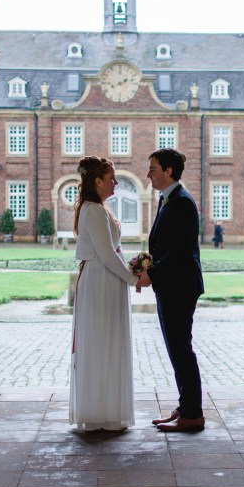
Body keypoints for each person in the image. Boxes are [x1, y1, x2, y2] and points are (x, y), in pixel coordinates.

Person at [136, 149, 205, 432]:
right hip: (172, 285)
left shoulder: (181, 202)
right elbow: (166, 245)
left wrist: (150, 274)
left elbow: (179, 252)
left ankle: (193, 414)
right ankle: (185, 406)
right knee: (177, 350)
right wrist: (147, 262)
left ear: (168, 171)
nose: (148, 174)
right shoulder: (168, 199)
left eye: (152, 169)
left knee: (181, 350)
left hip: (180, 286)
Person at [69, 156, 137, 433]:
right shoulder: (95, 211)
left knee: (106, 341)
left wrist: (130, 269)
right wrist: (133, 277)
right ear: (97, 181)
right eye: (111, 178)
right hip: (101, 280)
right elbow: (107, 254)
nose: (115, 183)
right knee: (101, 341)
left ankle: (107, 409)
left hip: (106, 278)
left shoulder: (97, 208)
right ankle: (100, 411)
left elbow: (111, 252)